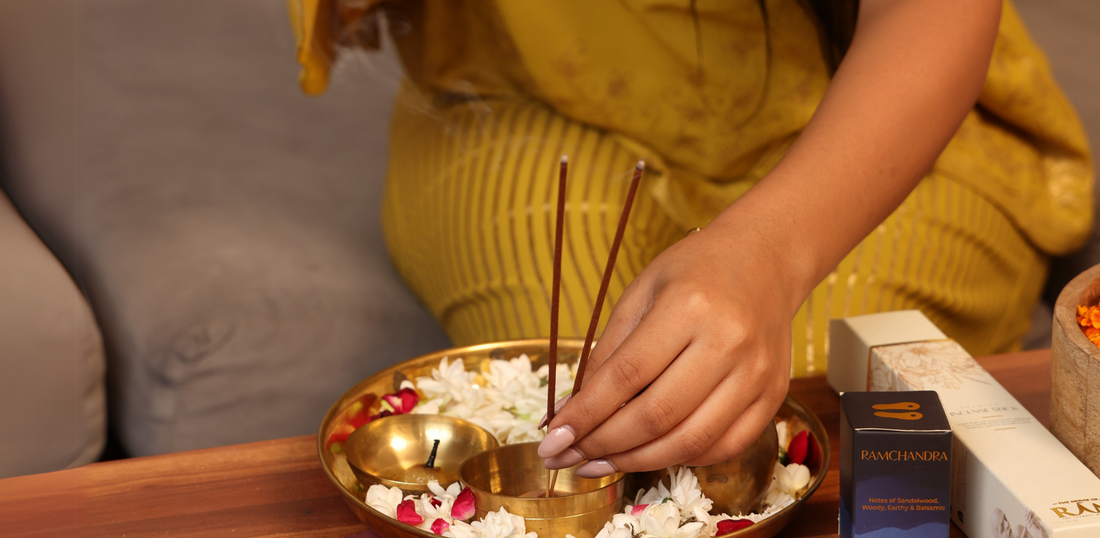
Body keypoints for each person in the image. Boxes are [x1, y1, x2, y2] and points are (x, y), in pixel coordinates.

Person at [289, 0, 1093, 476]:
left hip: (857, 98)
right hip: (524, 92)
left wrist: (774, 255)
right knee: (580, 394)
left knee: (777, 428)